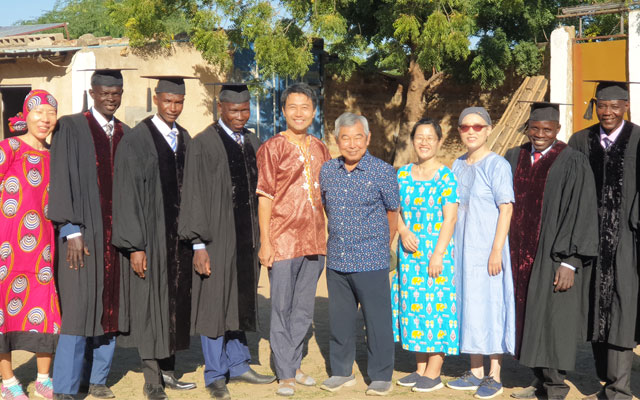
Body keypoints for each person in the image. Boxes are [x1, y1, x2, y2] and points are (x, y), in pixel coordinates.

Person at [178, 83, 276, 400]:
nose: (240, 116)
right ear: (220, 108)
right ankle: (215, 374)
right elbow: (193, 196)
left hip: (246, 240)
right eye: (234, 110)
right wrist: (198, 245)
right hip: (215, 240)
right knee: (214, 305)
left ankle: (239, 364)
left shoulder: (252, 141)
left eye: (245, 110)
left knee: (239, 301)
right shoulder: (203, 143)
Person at [505, 102, 598, 400]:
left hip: (552, 255)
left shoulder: (572, 161)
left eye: (547, 129)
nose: (540, 135)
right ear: (527, 128)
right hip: (517, 254)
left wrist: (570, 262)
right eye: (534, 128)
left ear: (558, 129)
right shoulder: (514, 157)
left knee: (552, 319)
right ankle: (538, 380)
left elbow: (581, 212)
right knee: (529, 317)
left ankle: (555, 386)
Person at [112, 76, 198, 400]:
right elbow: (127, 196)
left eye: (179, 102)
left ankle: (169, 372)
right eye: (168, 101)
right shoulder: (136, 140)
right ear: (156, 99)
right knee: (150, 307)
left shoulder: (185, 138)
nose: (173, 107)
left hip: (179, 243)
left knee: (175, 304)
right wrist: (135, 246)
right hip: (150, 241)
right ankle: (152, 381)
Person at [49, 69, 131, 400]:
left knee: (111, 309)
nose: (111, 98)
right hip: (80, 236)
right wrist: (70, 230)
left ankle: (96, 379)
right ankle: (65, 388)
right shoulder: (70, 127)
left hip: (116, 239)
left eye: (116, 93)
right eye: (104, 92)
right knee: (78, 310)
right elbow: (60, 178)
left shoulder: (125, 133)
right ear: (92, 93)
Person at [255, 82, 331, 397]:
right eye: (293, 107)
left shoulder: (321, 148)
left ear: (313, 112)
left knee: (303, 309)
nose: (299, 113)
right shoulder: (272, 148)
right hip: (283, 240)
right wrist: (266, 242)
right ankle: (285, 373)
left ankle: (294, 363)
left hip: (315, 240)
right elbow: (265, 197)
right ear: (284, 111)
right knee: (281, 307)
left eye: (305, 107)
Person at [318, 112, 399, 396]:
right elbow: (326, 207)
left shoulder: (382, 171)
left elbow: (392, 212)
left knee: (377, 321)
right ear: (336, 140)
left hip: (371, 258)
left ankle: (381, 375)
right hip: (338, 259)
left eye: (357, 138)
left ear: (368, 138)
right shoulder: (328, 170)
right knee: (340, 320)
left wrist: (382, 246)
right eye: (345, 138)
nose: (352, 144)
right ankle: (342, 372)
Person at [568, 80, 640, 400]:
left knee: (622, 310)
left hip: (627, 240)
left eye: (614, 106)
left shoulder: (639, 139)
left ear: (626, 107)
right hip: (589, 239)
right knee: (594, 307)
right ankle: (605, 380)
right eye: (602, 106)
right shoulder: (580, 140)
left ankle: (619, 389)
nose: (607, 112)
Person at [447, 107, 515, 399]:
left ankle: (494, 375)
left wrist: (496, 250)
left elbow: (506, 208)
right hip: (462, 250)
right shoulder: (457, 165)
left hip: (488, 249)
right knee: (468, 305)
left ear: (488, 130)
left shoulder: (497, 165)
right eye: (465, 127)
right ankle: (475, 371)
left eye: (477, 126)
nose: (471, 131)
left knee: (490, 305)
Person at [0, 90, 60, 400]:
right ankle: (8, 381)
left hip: (42, 251)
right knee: (3, 312)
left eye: (51, 113)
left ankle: (43, 379)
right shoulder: (9, 148)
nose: (45, 119)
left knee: (45, 309)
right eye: (39, 112)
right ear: (26, 115)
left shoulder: (54, 156)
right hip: (5, 248)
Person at [391, 118, 459, 393]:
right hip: (409, 255)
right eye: (420, 137)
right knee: (413, 309)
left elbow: (450, 219)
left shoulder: (446, 176)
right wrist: (403, 230)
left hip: (436, 254)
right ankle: (419, 368)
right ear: (413, 140)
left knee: (437, 310)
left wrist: (438, 254)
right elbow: (394, 209)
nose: (424, 142)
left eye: (430, 137)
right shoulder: (402, 174)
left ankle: (434, 372)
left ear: (439, 142)